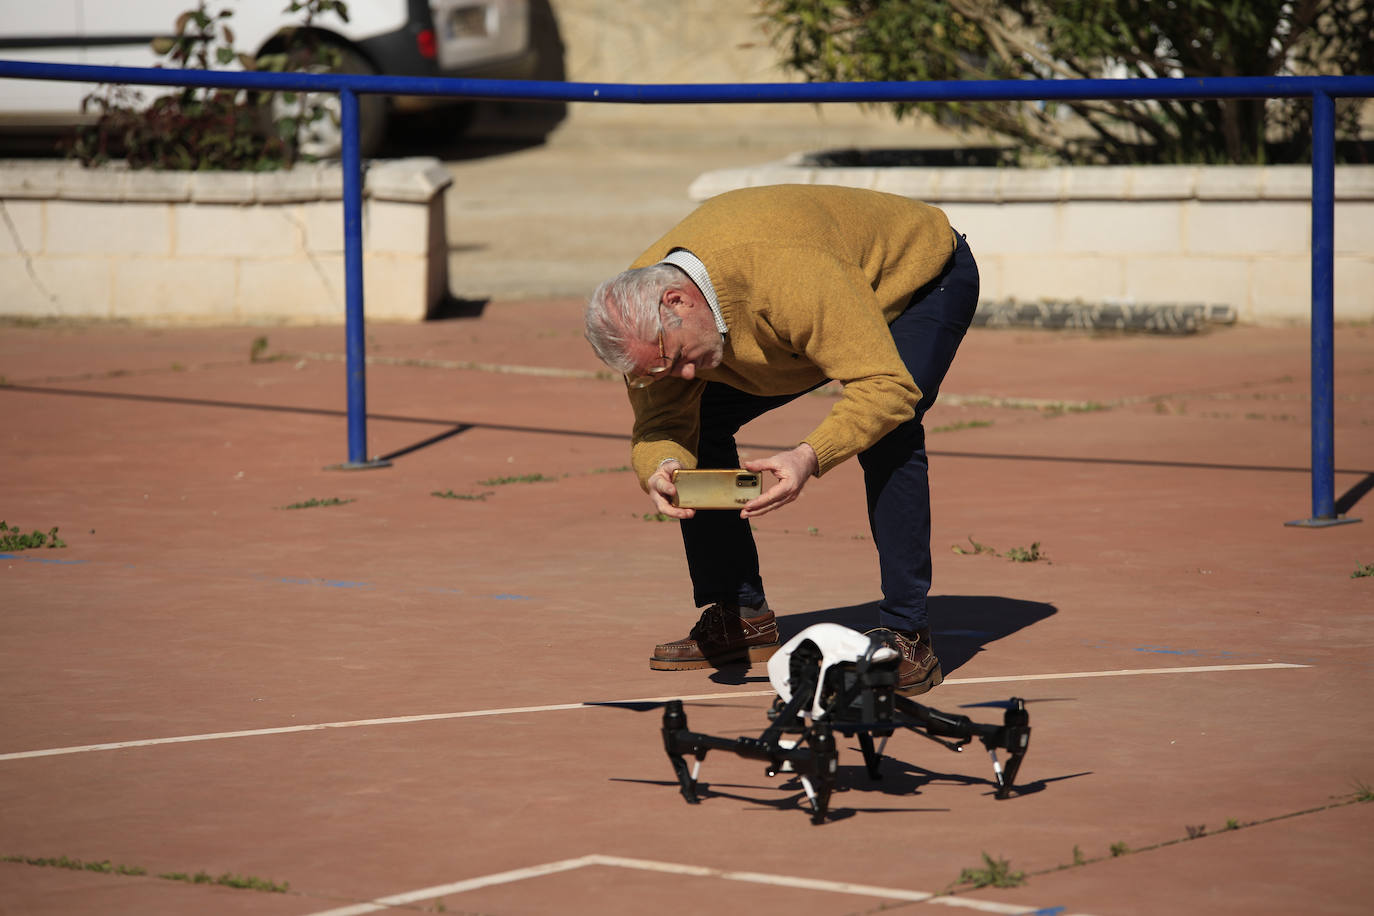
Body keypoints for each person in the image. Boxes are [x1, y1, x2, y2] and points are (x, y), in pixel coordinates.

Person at [583, 184, 979, 696]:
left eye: (677, 357)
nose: (678, 376)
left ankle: (907, 633)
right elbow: (662, 426)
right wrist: (660, 466)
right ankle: (740, 612)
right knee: (696, 436)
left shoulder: (787, 273)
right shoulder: (640, 321)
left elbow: (885, 387)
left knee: (888, 429)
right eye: (656, 371)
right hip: (795, 322)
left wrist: (807, 456)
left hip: (914, 282)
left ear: (677, 300)